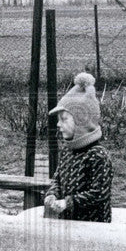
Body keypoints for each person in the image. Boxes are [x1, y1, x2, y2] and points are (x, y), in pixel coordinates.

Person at [43, 72, 113, 223]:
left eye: (64, 119)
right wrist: (52, 194)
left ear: (81, 121)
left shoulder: (97, 155)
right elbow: (57, 179)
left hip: (94, 228)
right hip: (69, 224)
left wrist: (68, 202)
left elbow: (99, 193)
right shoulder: (68, 152)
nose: (58, 124)